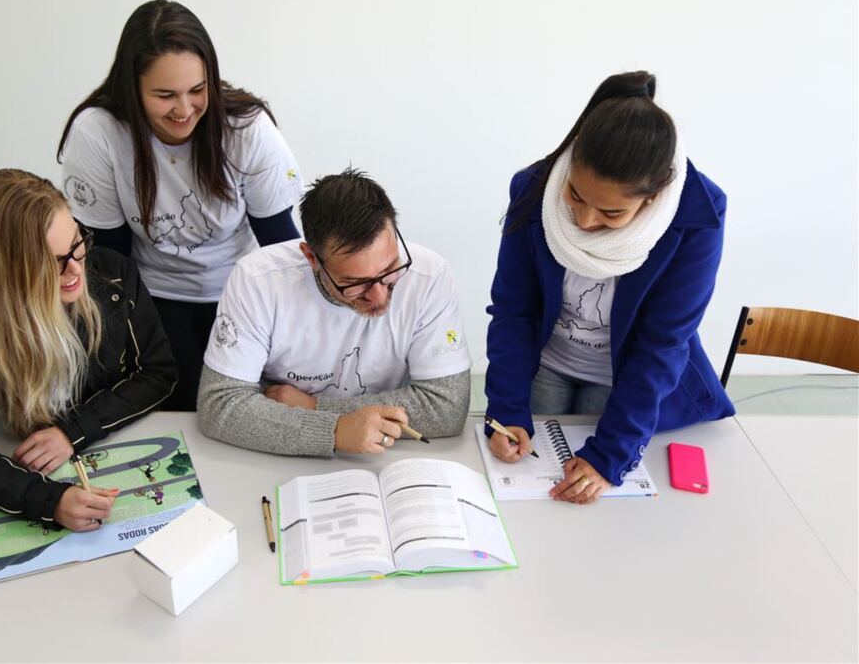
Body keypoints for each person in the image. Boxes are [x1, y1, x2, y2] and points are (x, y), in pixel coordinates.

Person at [485, 71, 735, 504]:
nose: (584, 221)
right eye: (575, 196)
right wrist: (506, 408)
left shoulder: (698, 216)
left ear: (652, 199)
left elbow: (662, 343)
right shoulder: (533, 188)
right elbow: (514, 310)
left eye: (612, 213)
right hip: (548, 363)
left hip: (625, 378)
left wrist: (611, 455)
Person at [58, 0, 304, 410]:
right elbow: (108, 259)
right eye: (165, 95)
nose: (185, 109)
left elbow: (281, 246)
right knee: (173, 400)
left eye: (198, 89)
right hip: (149, 292)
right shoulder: (98, 132)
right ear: (132, 88)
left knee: (244, 404)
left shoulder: (247, 129)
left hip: (239, 290)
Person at [0, 169, 178, 532]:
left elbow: (158, 373)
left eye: (78, 242)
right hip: (26, 458)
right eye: (53, 262)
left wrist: (71, 432)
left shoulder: (114, 277)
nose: (76, 268)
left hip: (107, 444)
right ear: (3, 272)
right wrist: (51, 501)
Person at [198, 168, 471, 456]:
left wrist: (319, 409)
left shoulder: (429, 276)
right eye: (354, 283)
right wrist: (334, 431)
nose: (378, 296)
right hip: (279, 457)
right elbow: (220, 405)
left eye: (390, 270)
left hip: (391, 454)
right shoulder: (258, 280)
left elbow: (447, 408)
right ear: (310, 258)